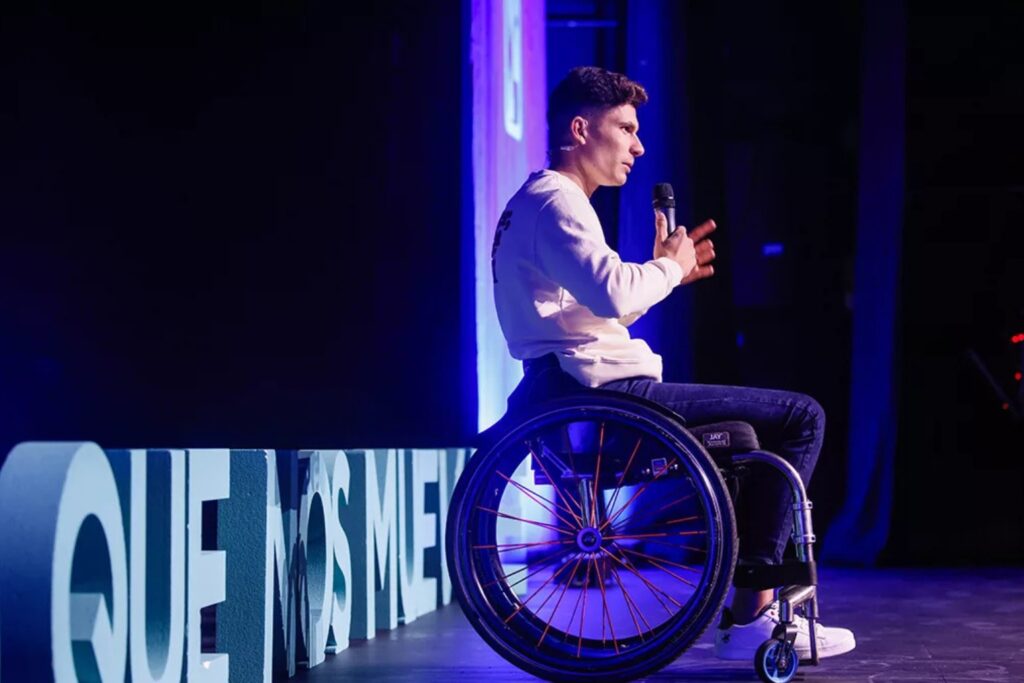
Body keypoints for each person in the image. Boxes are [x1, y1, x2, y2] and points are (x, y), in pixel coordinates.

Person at [490, 65, 856, 661]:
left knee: (754, 432)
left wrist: (665, 273)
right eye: (626, 128)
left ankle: (750, 613)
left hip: (583, 385)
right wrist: (668, 269)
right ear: (580, 130)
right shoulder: (557, 201)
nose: (638, 145)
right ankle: (752, 614)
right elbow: (613, 295)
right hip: (607, 395)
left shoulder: (540, 202)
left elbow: (593, 315)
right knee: (802, 416)